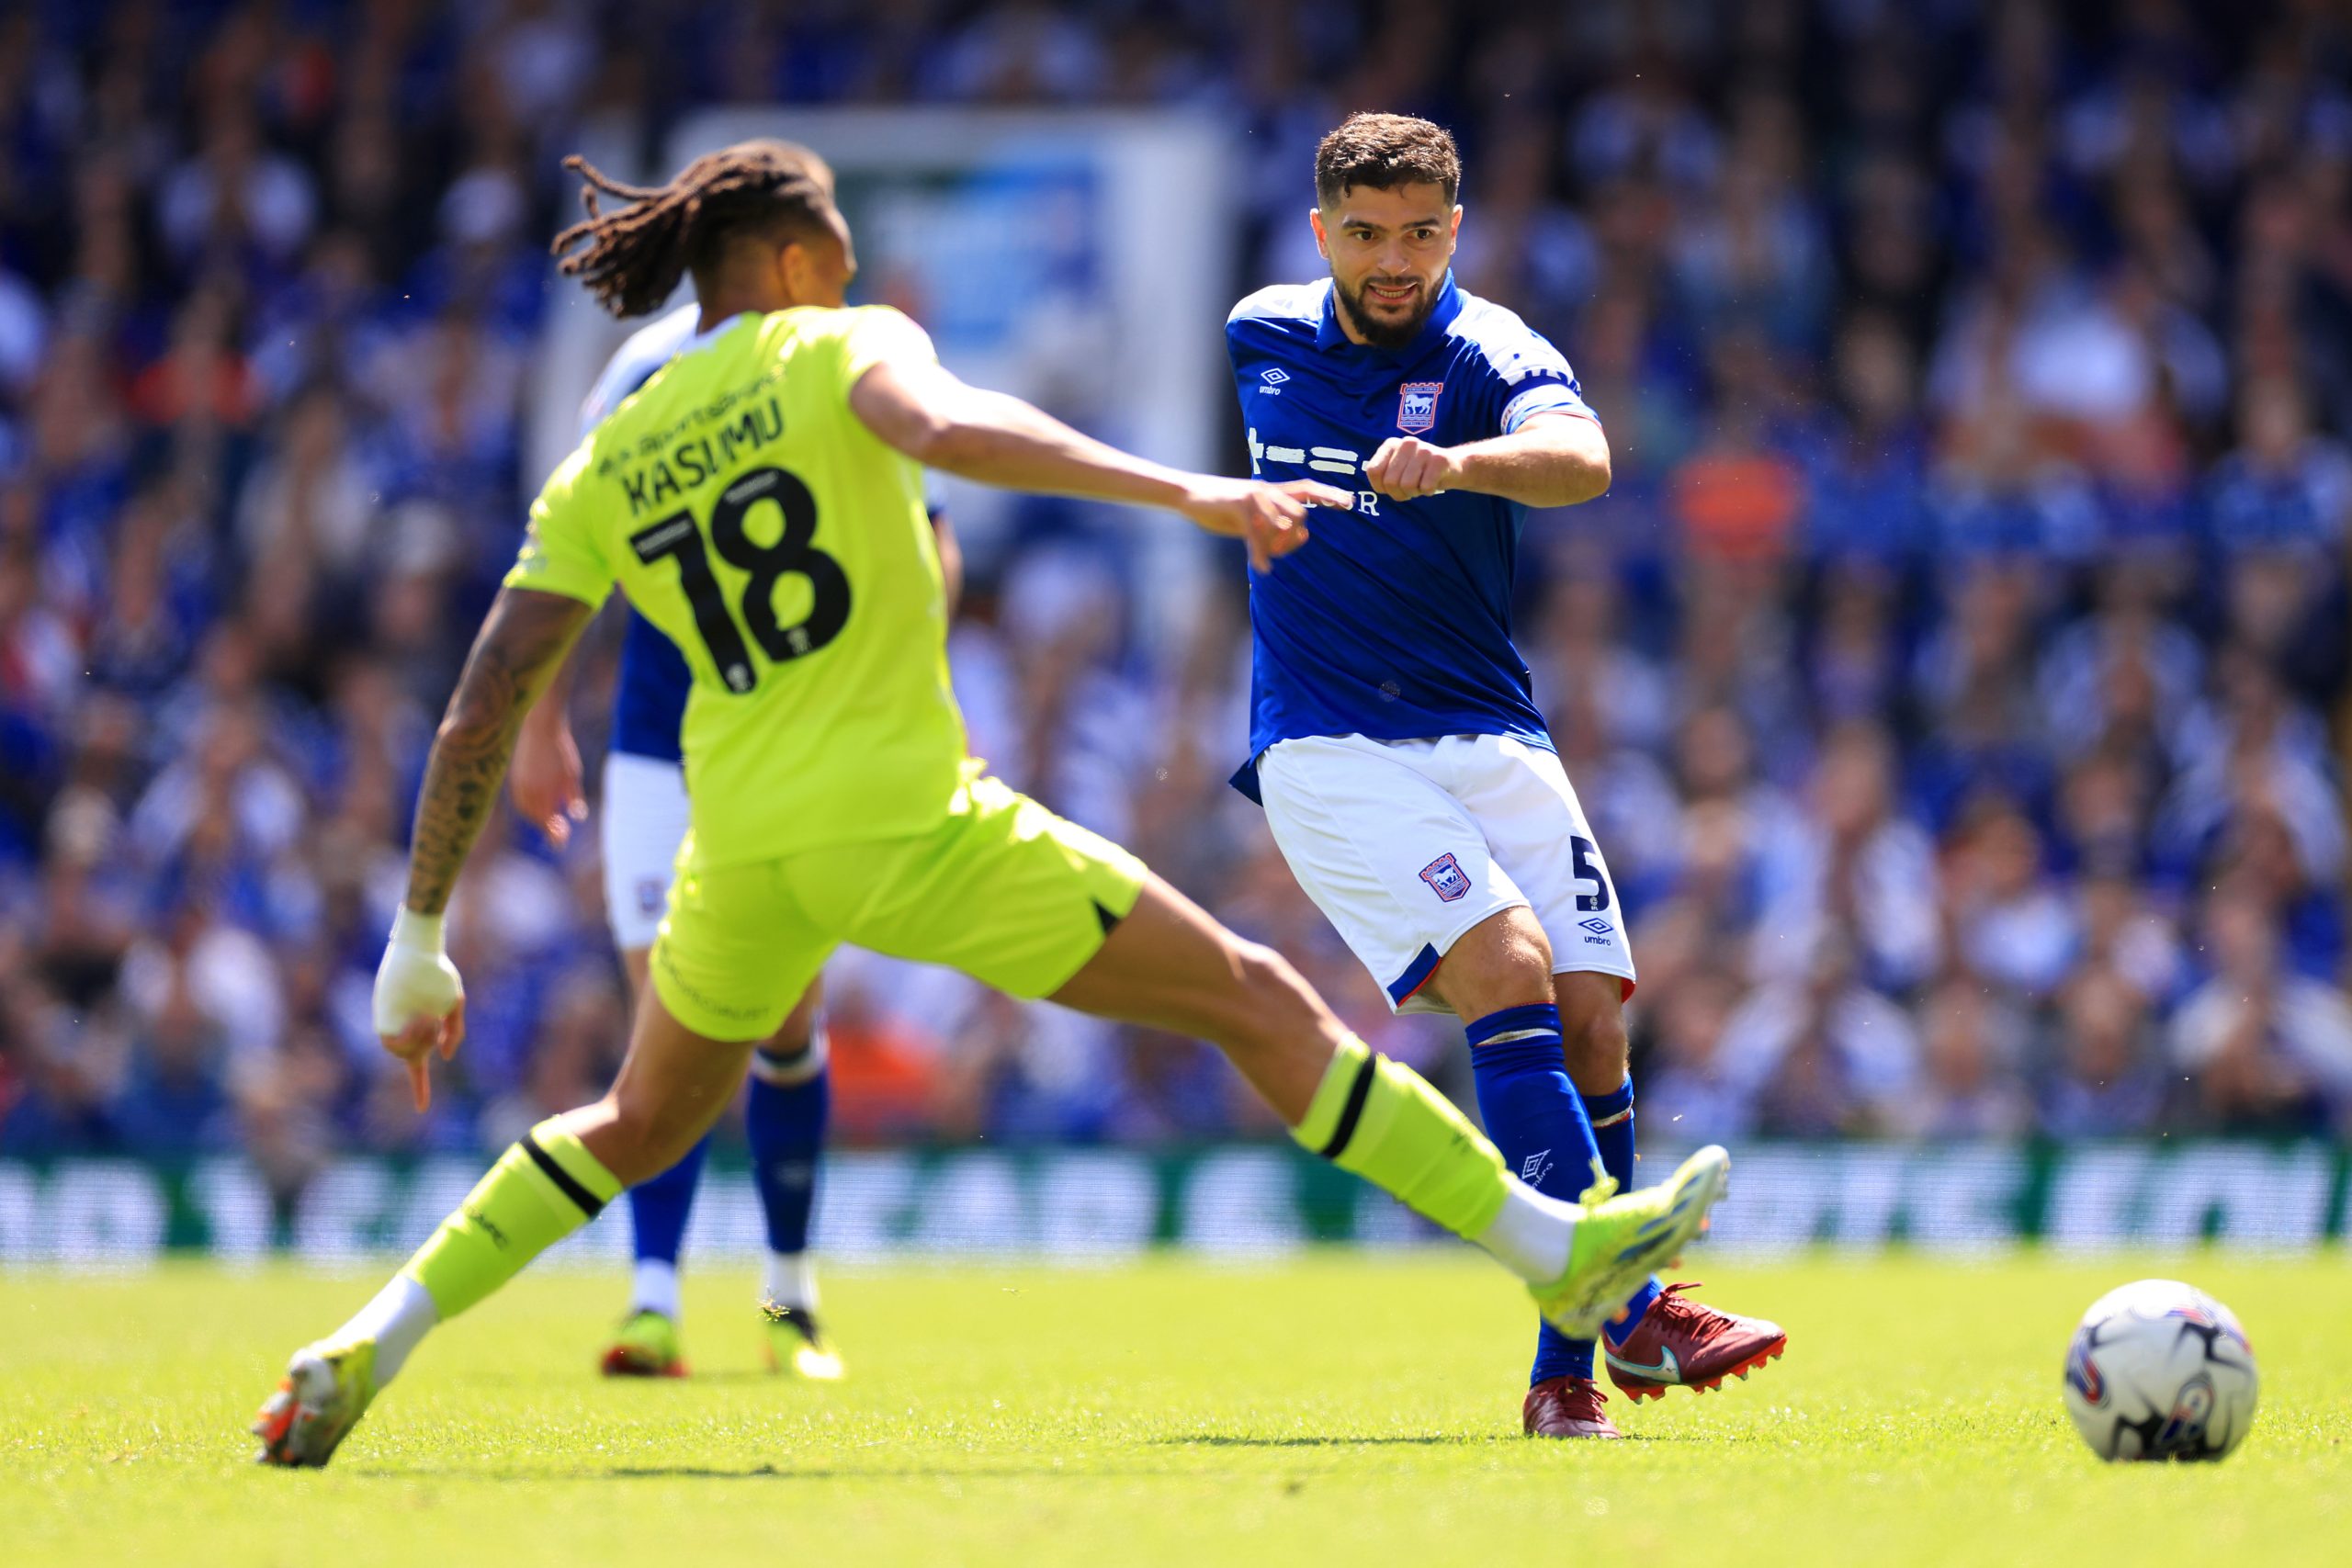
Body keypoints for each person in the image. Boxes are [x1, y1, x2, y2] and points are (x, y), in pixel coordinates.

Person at [251, 140, 1731, 1468]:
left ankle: (367, 1341)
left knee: (635, 1121)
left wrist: (418, 937)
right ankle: (1562, 1254)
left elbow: (483, 698)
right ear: (786, 266)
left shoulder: (612, 453)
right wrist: (1195, 497)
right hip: (912, 823)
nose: (851, 274)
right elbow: (948, 432)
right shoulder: (842, 351)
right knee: (1260, 1003)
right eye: (832, 250)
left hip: (743, 851)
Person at [1225, 114, 1786, 1440]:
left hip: (1491, 733)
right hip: (1328, 741)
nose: (1393, 259)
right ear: (1322, 234)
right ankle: (1641, 1306)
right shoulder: (1258, 333)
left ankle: (1569, 1380)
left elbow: (1584, 459)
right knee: (1512, 968)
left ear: (1455, 230)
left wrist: (1458, 464)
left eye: (1421, 232)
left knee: (1594, 1020)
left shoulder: (1492, 351)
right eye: (1365, 233)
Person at [503, 141, 950, 1382]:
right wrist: (540, 718)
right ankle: (650, 1302)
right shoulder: (644, 371)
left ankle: (787, 1301)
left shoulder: (845, 360)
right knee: (676, 1020)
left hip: (797, 744)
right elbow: (569, 559)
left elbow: (930, 537)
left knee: (789, 1019)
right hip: (660, 740)